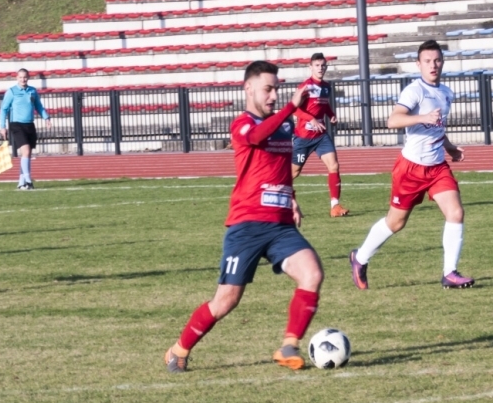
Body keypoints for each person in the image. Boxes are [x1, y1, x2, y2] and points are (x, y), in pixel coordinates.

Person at [165, 60, 323, 372]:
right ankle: (178, 349)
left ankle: (289, 346)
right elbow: (256, 137)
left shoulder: (286, 124)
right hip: (247, 225)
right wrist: (290, 108)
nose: (274, 95)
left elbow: (281, 168)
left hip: (280, 226)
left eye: (277, 89)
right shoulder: (242, 124)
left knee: (312, 273)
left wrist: (292, 198)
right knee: (226, 300)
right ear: (248, 88)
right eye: (268, 89)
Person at [349, 39, 474, 290]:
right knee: (396, 222)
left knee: (456, 213)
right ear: (418, 64)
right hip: (411, 168)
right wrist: (423, 117)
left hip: (437, 167)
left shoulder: (446, 92)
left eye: (437, 60)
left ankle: (449, 273)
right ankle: (359, 258)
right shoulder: (414, 91)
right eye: (427, 61)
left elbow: (438, 127)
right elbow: (392, 120)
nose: (433, 65)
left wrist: (449, 147)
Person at [290, 52, 349, 217]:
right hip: (303, 137)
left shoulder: (326, 86)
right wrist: (311, 119)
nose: (320, 68)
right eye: (317, 65)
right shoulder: (306, 86)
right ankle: (275, 194)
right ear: (310, 67)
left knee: (334, 166)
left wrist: (331, 115)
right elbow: (294, 108)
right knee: (293, 173)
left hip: (321, 136)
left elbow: (324, 105)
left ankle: (335, 206)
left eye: (323, 65)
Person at [0, 67, 49, 189]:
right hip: (16, 124)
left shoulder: (32, 91)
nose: (23, 79)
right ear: (17, 78)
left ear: (28, 78)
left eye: (25, 77)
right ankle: (28, 180)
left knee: (27, 153)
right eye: (20, 77)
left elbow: (38, 106)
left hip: (29, 124)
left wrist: (46, 117)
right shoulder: (11, 91)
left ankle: (21, 182)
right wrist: (2, 126)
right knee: (25, 151)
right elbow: (3, 109)